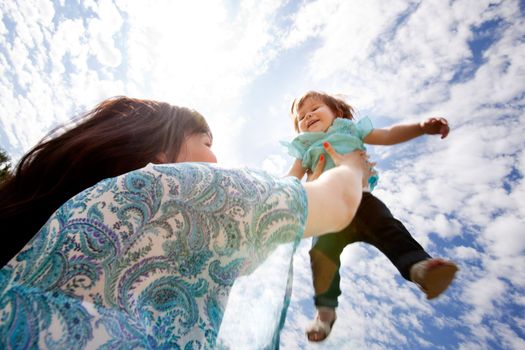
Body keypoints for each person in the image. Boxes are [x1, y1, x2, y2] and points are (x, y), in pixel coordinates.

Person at [0, 96, 371, 349]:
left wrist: (296, 174)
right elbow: (335, 203)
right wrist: (353, 164)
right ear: (163, 150)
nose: (215, 158)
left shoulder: (77, 214)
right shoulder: (179, 190)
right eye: (207, 142)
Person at [282, 91, 459, 342]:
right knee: (321, 254)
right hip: (326, 208)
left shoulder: (350, 130)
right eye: (301, 117)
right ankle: (325, 311)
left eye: (315, 109)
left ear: (338, 113)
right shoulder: (305, 148)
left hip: (361, 200)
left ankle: (419, 267)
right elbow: (290, 178)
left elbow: (388, 135)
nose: (308, 116)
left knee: (388, 228)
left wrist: (421, 128)